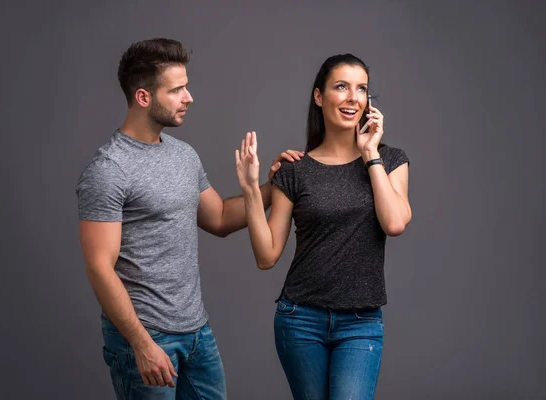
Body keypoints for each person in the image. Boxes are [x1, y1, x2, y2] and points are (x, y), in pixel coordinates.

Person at [75, 38, 302, 400]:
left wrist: (274, 185)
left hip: (197, 334)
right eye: (177, 89)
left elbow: (222, 218)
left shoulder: (183, 156)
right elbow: (100, 268)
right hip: (145, 338)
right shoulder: (109, 170)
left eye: (187, 86)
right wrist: (142, 344)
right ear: (143, 97)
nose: (189, 97)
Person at [235, 53, 412, 399]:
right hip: (300, 320)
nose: (353, 98)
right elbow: (266, 255)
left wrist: (369, 153)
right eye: (341, 87)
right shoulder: (295, 170)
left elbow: (394, 222)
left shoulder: (390, 160)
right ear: (319, 96)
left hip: (361, 323)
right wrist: (250, 189)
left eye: (361, 89)